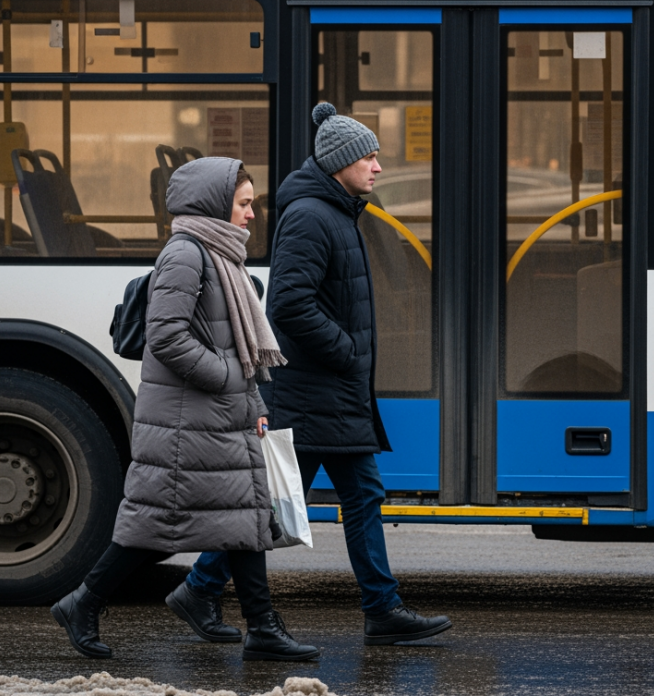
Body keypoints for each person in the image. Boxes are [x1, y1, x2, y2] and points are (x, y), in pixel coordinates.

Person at [165, 103, 452, 647]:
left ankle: (377, 607)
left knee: (344, 495)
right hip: (316, 390)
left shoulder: (337, 210)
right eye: (368, 156)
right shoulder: (311, 216)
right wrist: (345, 350)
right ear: (340, 162)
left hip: (332, 393)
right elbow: (291, 304)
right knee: (279, 501)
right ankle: (204, 587)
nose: (377, 166)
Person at [50, 157, 318, 662]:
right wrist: (225, 380)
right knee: (157, 527)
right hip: (186, 421)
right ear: (215, 204)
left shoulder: (223, 256)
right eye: (244, 203)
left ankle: (261, 627)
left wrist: (253, 402)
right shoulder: (187, 254)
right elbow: (167, 337)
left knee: (245, 519)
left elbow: (241, 345)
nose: (252, 213)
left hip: (219, 414)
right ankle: (83, 602)